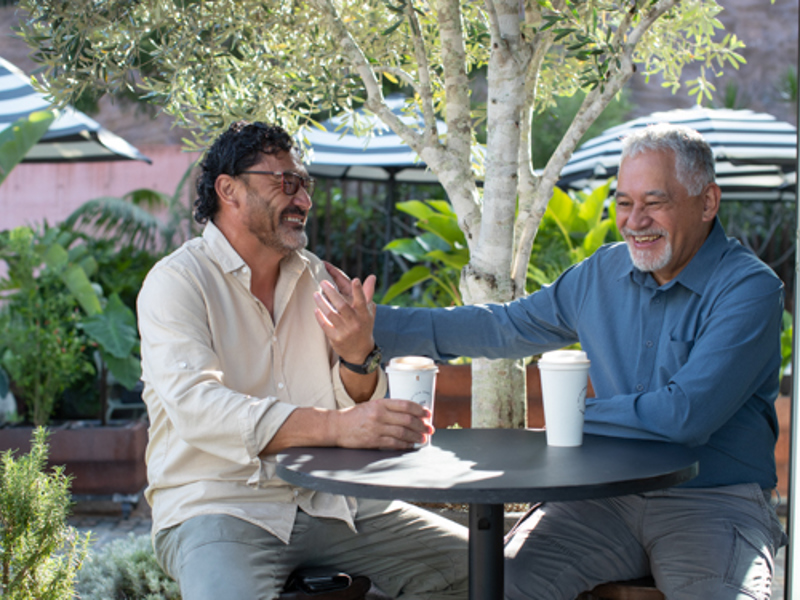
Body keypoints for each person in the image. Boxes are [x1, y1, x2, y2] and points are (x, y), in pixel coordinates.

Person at [318, 123, 787, 599]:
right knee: (499, 586)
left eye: (655, 202)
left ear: (707, 202)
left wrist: (572, 418)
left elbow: (684, 416)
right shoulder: (601, 273)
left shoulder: (750, 289)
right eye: (624, 203)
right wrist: (370, 325)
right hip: (606, 496)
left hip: (713, 502)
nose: (635, 221)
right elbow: (502, 327)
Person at [137, 121, 468, 600]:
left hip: (330, 500)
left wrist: (358, 356)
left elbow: (354, 407)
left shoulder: (318, 278)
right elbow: (198, 408)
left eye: (305, 184)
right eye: (286, 183)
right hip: (217, 503)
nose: (305, 200)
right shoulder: (177, 283)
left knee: (486, 574)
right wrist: (338, 427)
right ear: (229, 190)